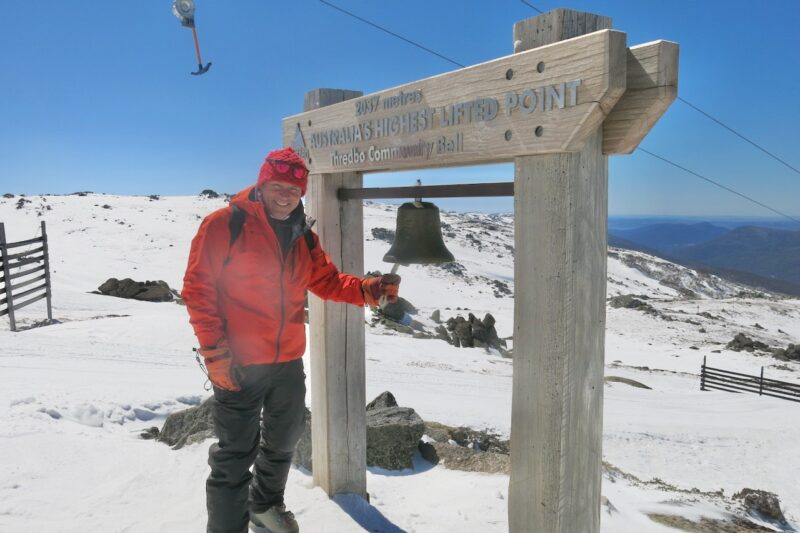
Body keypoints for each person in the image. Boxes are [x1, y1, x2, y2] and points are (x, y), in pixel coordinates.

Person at [182, 147, 400, 533]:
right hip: (238, 362)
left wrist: (367, 289)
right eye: (278, 186)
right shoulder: (224, 224)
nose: (285, 195)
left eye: (293, 189)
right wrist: (214, 353)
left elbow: (327, 280)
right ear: (263, 184)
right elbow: (198, 290)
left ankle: (264, 506)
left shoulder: (303, 235)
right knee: (234, 456)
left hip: (286, 362)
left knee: (284, 441)